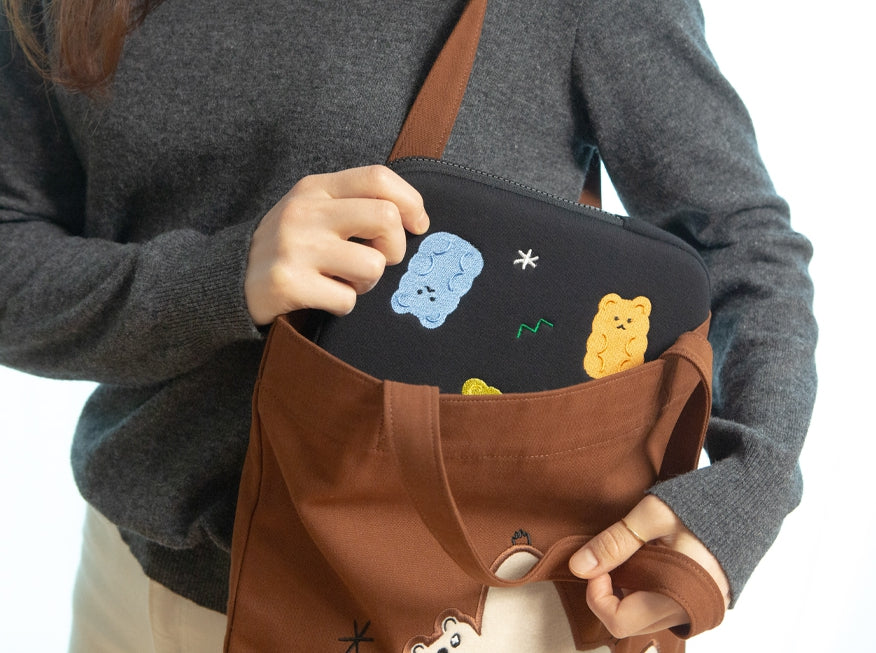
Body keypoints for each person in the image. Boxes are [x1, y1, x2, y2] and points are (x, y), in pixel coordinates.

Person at [0, 0, 817, 650]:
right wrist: (223, 277)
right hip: (134, 580)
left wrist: (746, 490)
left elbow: (742, 242)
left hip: (446, 610)